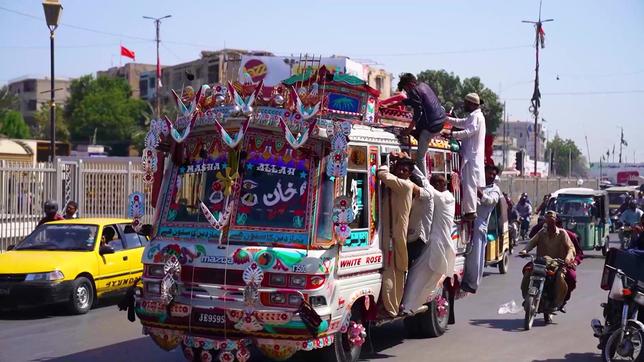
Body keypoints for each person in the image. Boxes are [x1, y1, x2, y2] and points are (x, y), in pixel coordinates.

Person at [401, 173, 456, 313]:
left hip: (437, 245)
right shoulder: (446, 197)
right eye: (436, 183)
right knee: (424, 281)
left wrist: (412, 171)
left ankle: (407, 306)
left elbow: (427, 187)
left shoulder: (445, 198)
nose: (438, 185)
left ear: (444, 185)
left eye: (440, 183)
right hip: (438, 244)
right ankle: (410, 306)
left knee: (417, 277)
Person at [377, 154, 416, 317]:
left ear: (409, 174)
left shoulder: (405, 185)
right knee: (392, 269)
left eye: (404, 169)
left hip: (395, 236)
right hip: (389, 234)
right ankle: (391, 304)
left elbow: (382, 174)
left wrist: (385, 163)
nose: (401, 171)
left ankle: (392, 306)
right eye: (399, 168)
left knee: (395, 269)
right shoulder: (399, 184)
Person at [441, 93, 486, 221]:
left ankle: (470, 212)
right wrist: (446, 119)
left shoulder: (476, 117)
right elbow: (462, 122)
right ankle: (469, 210)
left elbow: (468, 131)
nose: (464, 105)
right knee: (468, 184)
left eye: (466, 103)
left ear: (472, 104)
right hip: (470, 156)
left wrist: (451, 135)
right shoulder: (474, 116)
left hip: (471, 156)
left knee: (470, 184)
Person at [519, 211, 576, 310]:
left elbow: (571, 248)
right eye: (547, 219)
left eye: (552, 219)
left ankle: (558, 302)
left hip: (557, 263)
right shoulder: (541, 232)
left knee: (560, 277)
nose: (549, 221)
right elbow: (531, 243)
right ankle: (526, 296)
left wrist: (567, 258)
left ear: (555, 220)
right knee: (527, 272)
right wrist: (524, 250)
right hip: (541, 263)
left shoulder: (562, 233)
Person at [461, 164, 502, 293]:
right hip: (466, 221)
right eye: (489, 173)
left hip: (479, 224)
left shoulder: (495, 190)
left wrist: (479, 194)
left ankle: (472, 283)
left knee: (475, 255)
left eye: (493, 175)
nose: (491, 176)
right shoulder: (479, 184)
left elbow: (490, 201)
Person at [397, 73, 446, 176]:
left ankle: (423, 183)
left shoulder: (414, 91)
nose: (407, 92)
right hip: (440, 121)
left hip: (432, 126)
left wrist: (408, 130)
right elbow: (414, 102)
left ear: (410, 85)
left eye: (406, 89)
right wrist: (398, 103)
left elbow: (418, 112)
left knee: (420, 156)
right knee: (419, 138)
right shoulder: (423, 85)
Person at [406, 162, 435, 267]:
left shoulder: (427, 195)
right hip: (410, 238)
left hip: (418, 238)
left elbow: (418, 187)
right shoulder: (413, 198)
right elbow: (422, 178)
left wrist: (405, 180)